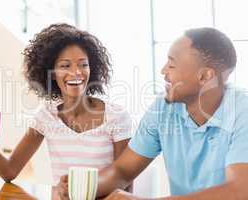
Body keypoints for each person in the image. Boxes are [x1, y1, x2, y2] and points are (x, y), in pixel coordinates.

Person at [57, 27, 248, 200]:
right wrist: (83, 186)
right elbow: (123, 171)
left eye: (172, 65)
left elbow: (240, 191)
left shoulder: (242, 110)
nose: (163, 71)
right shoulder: (164, 108)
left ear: (205, 76)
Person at [0, 23, 132, 199]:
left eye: (83, 64)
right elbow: (9, 171)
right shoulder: (46, 116)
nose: (76, 72)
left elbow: (125, 182)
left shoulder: (116, 117)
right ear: (52, 73)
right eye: (65, 66)